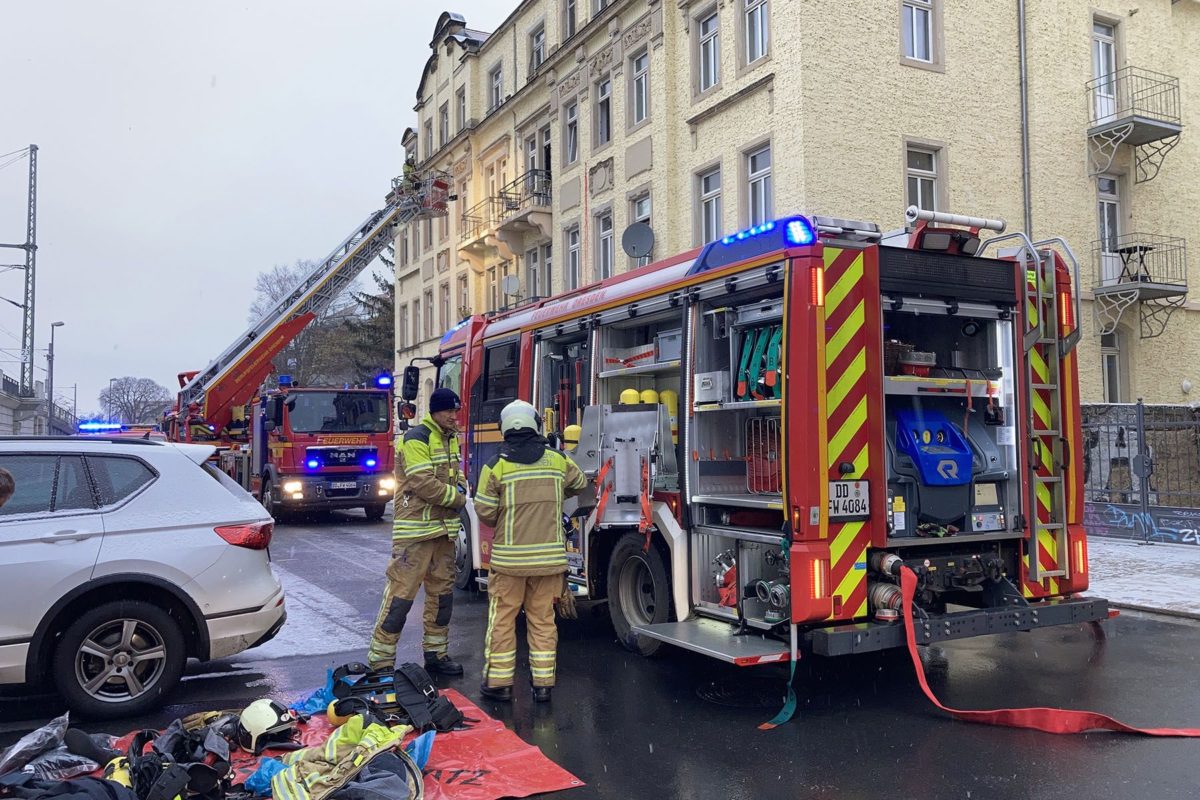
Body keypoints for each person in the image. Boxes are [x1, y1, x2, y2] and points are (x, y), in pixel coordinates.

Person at [473, 400, 588, 702]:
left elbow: (483, 510)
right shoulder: (557, 460)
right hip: (548, 563)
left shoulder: (495, 464)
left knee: (502, 620)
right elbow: (580, 482)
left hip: (509, 563)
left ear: (505, 427)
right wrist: (554, 495)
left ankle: (499, 684)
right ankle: (543, 686)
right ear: (535, 424)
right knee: (542, 621)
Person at [367, 387, 467, 676]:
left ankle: (436, 654)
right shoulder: (416, 439)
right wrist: (459, 498)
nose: (453, 416)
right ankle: (381, 662)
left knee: (442, 597)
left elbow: (455, 474)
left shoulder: (450, 438)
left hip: (442, 532)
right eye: (448, 410)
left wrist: (460, 487)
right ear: (434, 411)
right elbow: (424, 484)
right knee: (400, 597)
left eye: (455, 410)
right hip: (416, 534)